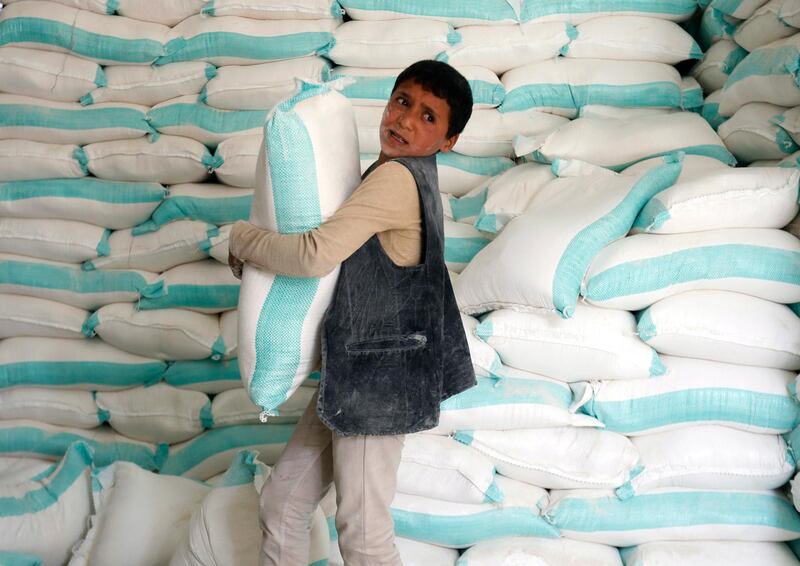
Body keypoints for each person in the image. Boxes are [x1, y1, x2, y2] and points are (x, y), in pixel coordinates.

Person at [227, 60, 477, 566]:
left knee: (363, 535)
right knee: (282, 505)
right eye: (403, 102)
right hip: (356, 374)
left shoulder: (396, 182)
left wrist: (241, 239)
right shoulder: (398, 174)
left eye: (429, 118)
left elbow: (316, 254)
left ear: (448, 141)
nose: (406, 120)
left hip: (380, 384)